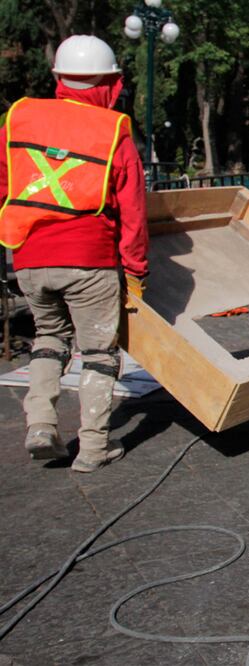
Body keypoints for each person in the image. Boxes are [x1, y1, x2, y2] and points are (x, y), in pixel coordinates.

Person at [0, 35, 148, 472]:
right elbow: (133, 211)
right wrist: (136, 271)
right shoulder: (113, 129)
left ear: (59, 78)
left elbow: (5, 186)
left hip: (28, 256)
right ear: (109, 83)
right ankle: (94, 447)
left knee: (48, 339)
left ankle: (42, 423)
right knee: (99, 352)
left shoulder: (19, 117)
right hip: (89, 258)